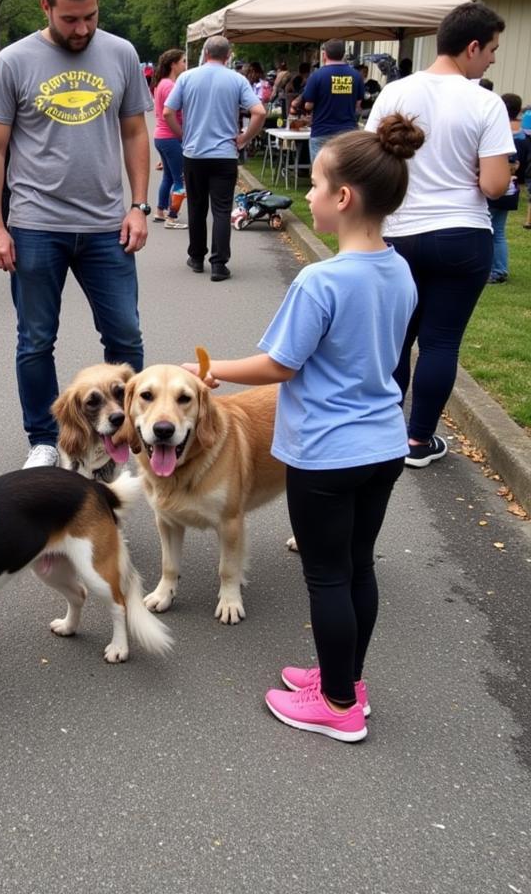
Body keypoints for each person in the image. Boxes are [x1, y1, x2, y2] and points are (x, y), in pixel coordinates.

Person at [184, 114, 422, 742]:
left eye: (316, 185)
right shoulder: (400, 269)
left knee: (327, 577)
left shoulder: (322, 279)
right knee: (357, 568)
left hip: (325, 454)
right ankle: (347, 681)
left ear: (344, 198)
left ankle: (338, 706)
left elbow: (280, 365)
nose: (309, 196)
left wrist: (206, 372)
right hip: (383, 443)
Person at [0, 0, 152, 469]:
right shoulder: (14, 61)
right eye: (70, 19)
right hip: (35, 224)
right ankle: (45, 440)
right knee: (36, 339)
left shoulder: (120, 53)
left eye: (91, 17)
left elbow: (136, 132)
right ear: (46, 7)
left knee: (125, 336)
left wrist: (140, 206)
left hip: (105, 225)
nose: (82, 29)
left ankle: (129, 432)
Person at [366, 1, 515, 468]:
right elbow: (494, 185)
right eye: (490, 49)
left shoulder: (394, 94)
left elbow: (371, 161)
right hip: (461, 234)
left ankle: (386, 431)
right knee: (441, 341)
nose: (491, 59)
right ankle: (418, 441)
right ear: (472, 47)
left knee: (396, 339)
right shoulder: (485, 101)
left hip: (399, 231)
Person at [163, 34, 266, 281]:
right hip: (224, 154)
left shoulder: (187, 78)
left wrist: (182, 135)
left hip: (194, 152)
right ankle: (219, 263)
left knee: (197, 207)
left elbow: (168, 111)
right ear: (228, 56)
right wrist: (244, 138)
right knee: (221, 209)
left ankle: (196, 257)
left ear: (205, 53)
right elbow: (259, 112)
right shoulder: (237, 80)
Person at [291, 39, 363, 164]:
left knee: (320, 173)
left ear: (324, 55)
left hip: (322, 131)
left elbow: (308, 105)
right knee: (344, 171)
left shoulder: (317, 75)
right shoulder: (356, 76)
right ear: (343, 54)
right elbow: (358, 106)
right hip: (348, 131)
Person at [486, 93, 528, 283]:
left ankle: (496, 270)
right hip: (511, 187)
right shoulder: (523, 135)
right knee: (499, 231)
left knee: (491, 230)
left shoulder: (501, 135)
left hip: (498, 186)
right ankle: (500, 268)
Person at [152, 48, 189, 229]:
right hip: (170, 136)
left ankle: (161, 210)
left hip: (161, 136)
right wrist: (181, 134)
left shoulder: (161, 84)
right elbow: (170, 113)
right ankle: (172, 217)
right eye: (183, 61)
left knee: (168, 176)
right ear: (173, 64)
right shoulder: (170, 86)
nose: (185, 65)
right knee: (179, 179)